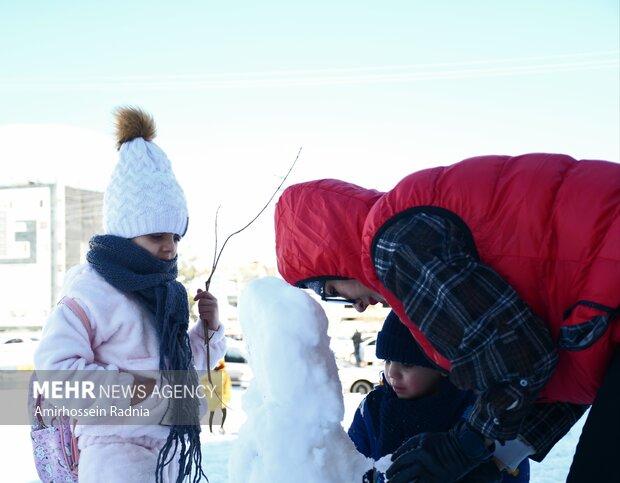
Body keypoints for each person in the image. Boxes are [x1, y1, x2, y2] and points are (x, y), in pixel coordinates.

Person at [274, 153, 619, 482]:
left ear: (331, 255)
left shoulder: (394, 243)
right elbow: (551, 370)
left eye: (331, 291)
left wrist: (464, 446)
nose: (357, 306)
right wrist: (495, 457)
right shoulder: (414, 223)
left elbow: (518, 361)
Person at [34, 107, 227, 483]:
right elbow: (56, 373)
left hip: (167, 445)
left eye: (175, 236)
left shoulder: (165, 294)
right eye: (157, 236)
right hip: (112, 448)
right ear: (125, 233)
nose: (170, 248)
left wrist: (208, 329)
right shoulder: (92, 292)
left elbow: (180, 367)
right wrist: (146, 393)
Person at [348, 311, 529, 483]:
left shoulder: (481, 413)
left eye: (407, 364)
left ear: (442, 366)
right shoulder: (371, 409)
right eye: (387, 361)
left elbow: (512, 470)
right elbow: (352, 467)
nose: (392, 373)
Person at [204, 359, 232, 434]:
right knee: (212, 413)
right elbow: (203, 382)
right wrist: (210, 388)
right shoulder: (209, 372)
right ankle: (210, 430)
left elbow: (227, 385)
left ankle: (221, 427)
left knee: (224, 412)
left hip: (221, 396)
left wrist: (226, 395)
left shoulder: (224, 372)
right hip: (212, 396)